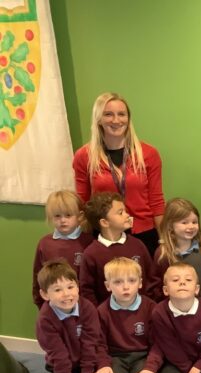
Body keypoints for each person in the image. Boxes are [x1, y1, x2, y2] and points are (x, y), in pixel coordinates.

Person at [73, 92, 165, 255]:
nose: (116, 120)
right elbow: (82, 202)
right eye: (108, 114)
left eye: (121, 114)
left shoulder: (148, 154)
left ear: (128, 119)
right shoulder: (84, 156)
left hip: (143, 234)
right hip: (104, 236)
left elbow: (156, 200)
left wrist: (164, 240)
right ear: (99, 119)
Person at [79, 192, 152, 304]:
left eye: (125, 211)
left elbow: (152, 279)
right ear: (104, 222)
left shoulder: (138, 245)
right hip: (108, 318)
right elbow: (87, 291)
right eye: (120, 213)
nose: (127, 215)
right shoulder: (91, 254)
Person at [32, 190, 93, 309]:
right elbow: (37, 276)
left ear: (79, 216)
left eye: (68, 215)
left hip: (84, 308)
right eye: (57, 216)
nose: (63, 220)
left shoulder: (89, 241)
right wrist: (41, 304)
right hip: (53, 307)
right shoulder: (45, 244)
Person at [150, 198, 201, 304]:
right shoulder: (163, 255)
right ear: (170, 225)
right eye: (184, 222)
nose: (190, 226)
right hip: (176, 307)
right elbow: (157, 286)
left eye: (194, 222)